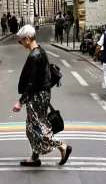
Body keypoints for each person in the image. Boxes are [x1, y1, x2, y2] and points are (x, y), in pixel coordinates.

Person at [13, 24, 72, 167]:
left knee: (36, 128)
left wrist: (21, 101)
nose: (21, 44)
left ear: (27, 39)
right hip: (43, 94)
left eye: (21, 41)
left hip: (37, 96)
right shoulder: (41, 51)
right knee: (34, 126)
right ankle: (35, 157)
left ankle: (62, 146)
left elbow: (32, 82)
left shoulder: (34, 55)